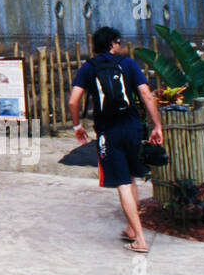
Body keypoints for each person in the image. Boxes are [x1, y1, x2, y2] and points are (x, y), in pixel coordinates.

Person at [68, 27, 164, 253]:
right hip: (132, 127)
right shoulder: (128, 64)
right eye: (118, 41)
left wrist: (77, 126)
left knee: (121, 183)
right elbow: (146, 95)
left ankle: (139, 238)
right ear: (112, 43)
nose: (120, 45)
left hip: (108, 132)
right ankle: (132, 229)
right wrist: (156, 125)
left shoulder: (88, 67)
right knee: (130, 177)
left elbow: (74, 101)